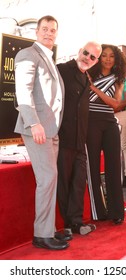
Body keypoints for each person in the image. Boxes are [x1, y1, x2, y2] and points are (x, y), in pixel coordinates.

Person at [14, 15, 70, 250]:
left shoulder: (49, 58)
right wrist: (34, 123)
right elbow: (23, 92)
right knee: (47, 179)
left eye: (53, 30)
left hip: (50, 128)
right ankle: (42, 234)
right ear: (36, 32)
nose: (49, 33)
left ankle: (47, 229)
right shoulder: (28, 54)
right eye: (44, 29)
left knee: (50, 179)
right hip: (37, 128)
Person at [56, 41, 102, 235]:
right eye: (86, 53)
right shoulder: (61, 70)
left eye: (92, 57)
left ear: (95, 61)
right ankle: (69, 223)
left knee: (78, 181)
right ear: (79, 51)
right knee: (64, 182)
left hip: (79, 139)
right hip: (62, 136)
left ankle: (75, 222)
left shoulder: (87, 78)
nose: (87, 58)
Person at [86, 44, 126, 223]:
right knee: (92, 168)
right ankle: (98, 212)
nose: (108, 59)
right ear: (98, 57)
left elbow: (116, 104)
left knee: (114, 167)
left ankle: (116, 213)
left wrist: (93, 88)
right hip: (90, 123)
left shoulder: (118, 78)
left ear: (116, 59)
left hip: (110, 122)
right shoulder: (88, 74)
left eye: (111, 56)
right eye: (104, 56)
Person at [114, 63, 126, 187]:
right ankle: (115, 175)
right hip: (108, 115)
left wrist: (114, 108)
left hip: (122, 113)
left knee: (124, 145)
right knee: (112, 147)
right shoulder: (108, 81)